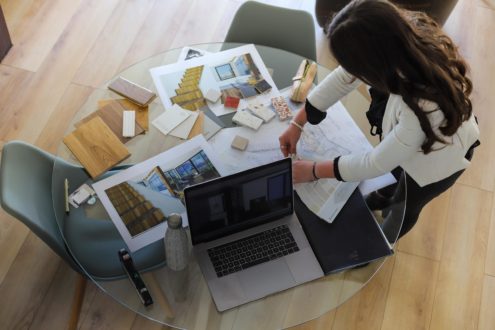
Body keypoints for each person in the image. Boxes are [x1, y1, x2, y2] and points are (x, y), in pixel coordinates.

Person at [278, 0, 480, 239]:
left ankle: (383, 241)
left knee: (404, 206)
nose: (351, 71)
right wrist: (298, 122)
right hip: (411, 141)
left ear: (373, 64)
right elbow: (344, 77)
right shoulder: (399, 42)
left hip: (435, 163)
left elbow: (375, 163)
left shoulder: (420, 107)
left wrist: (313, 171)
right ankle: (381, 196)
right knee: (389, 180)